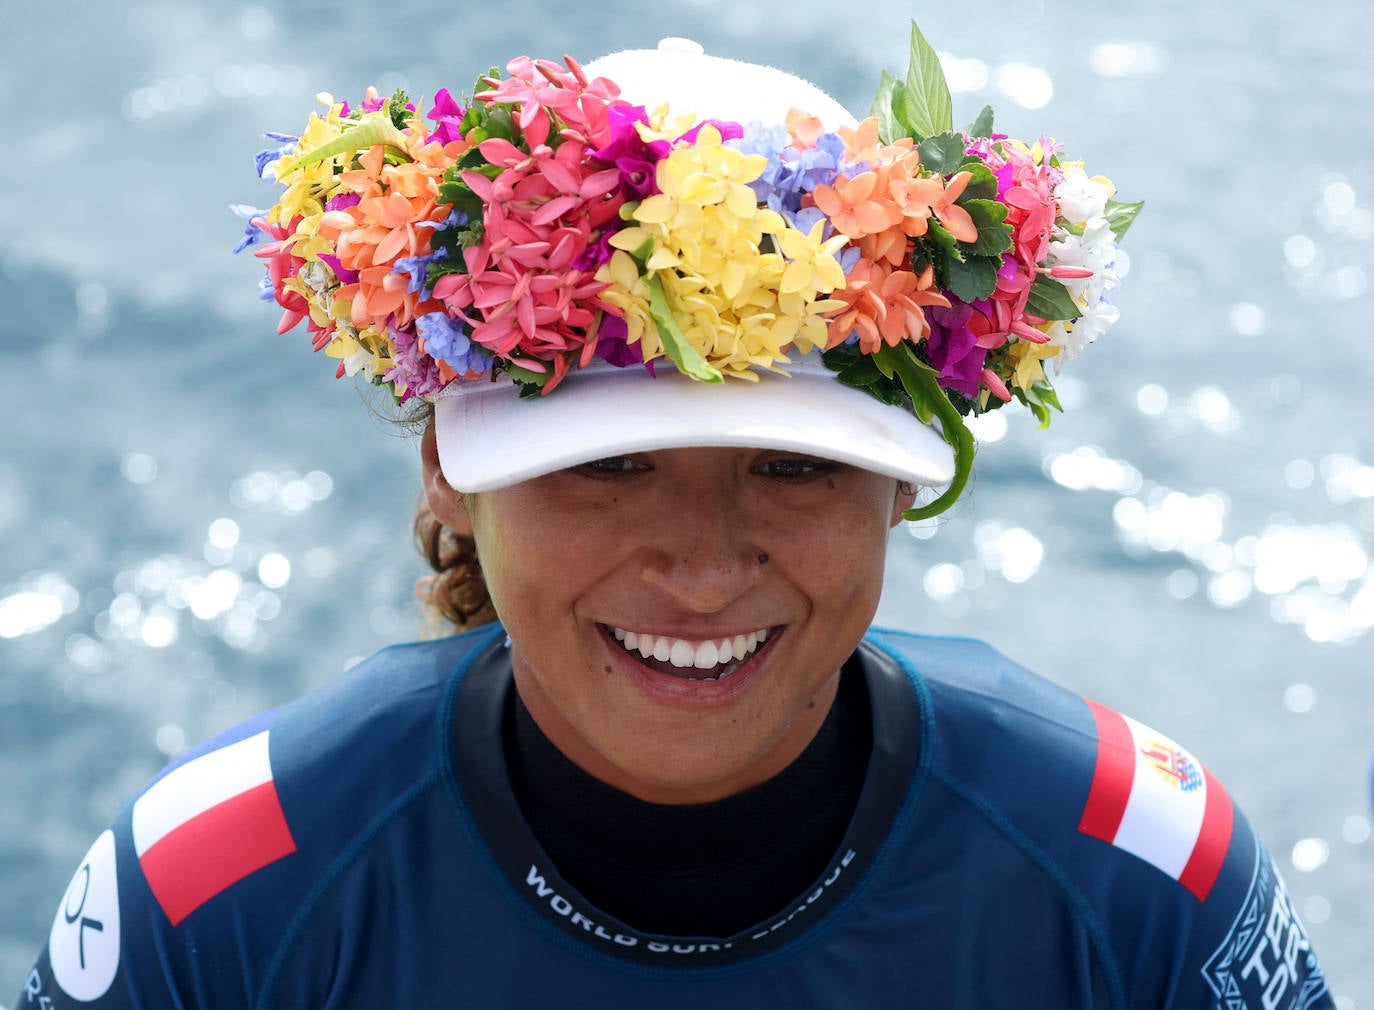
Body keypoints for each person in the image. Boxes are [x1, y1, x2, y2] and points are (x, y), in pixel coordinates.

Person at [19, 25, 1334, 1010]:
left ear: (899, 484)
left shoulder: (1141, 879)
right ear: (445, 472)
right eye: (612, 466)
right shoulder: (207, 901)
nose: (702, 567)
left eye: (790, 468)